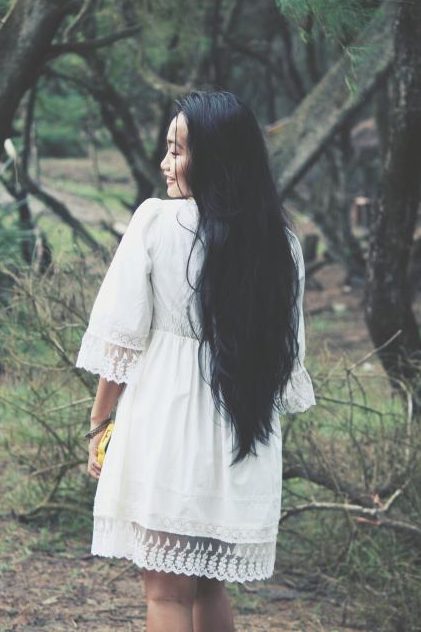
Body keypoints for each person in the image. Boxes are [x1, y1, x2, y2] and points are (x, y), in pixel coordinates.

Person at [76, 90, 316, 632]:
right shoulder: (280, 242)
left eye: (177, 150)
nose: (165, 163)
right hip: (239, 432)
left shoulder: (157, 223)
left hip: (166, 424)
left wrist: (99, 425)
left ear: (216, 157)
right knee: (207, 584)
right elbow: (287, 364)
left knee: (164, 592)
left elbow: (121, 340)